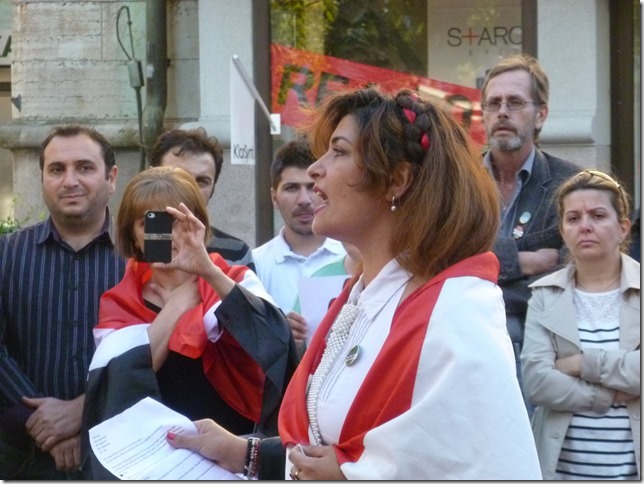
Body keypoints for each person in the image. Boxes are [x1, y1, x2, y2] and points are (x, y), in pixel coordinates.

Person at [165, 87, 542, 479]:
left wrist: (352, 475)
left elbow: (482, 462)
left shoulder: (458, 310)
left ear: (396, 180)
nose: (315, 169)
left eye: (339, 151)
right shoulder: (361, 296)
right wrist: (246, 452)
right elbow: (329, 445)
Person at [81, 166, 299, 478]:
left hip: (232, 449)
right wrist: (178, 305)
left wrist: (207, 271)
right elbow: (122, 381)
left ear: (196, 225)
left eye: (174, 221)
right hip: (154, 459)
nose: (163, 233)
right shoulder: (120, 300)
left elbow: (275, 343)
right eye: (148, 223)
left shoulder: (231, 279)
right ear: (133, 234)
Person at [0, 125, 125, 479]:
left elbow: (156, 353)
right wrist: (46, 424)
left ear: (111, 178)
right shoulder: (7, 254)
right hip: (21, 456)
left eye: (84, 168)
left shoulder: (141, 260)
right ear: (42, 179)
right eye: (57, 169)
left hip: (118, 455)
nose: (69, 180)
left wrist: (83, 412)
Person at [521, 169, 640, 480]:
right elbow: (536, 381)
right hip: (562, 472)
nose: (585, 226)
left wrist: (581, 363)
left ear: (623, 228)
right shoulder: (544, 296)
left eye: (598, 215)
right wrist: (610, 395)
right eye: (573, 219)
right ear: (562, 231)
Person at [481, 53, 582, 405]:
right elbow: (441, 263)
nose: (502, 112)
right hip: (467, 350)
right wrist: (524, 262)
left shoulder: (569, 185)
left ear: (541, 115)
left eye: (515, 102)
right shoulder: (457, 184)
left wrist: (483, 272)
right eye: (493, 103)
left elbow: (574, 279)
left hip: (542, 355)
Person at [252, 138, 345, 348]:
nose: (304, 199)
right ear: (274, 198)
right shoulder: (255, 264)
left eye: (312, 187)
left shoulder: (352, 258)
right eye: (292, 188)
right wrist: (276, 332)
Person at [149, 127, 255, 271]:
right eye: (179, 177)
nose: (190, 189)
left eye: (202, 181)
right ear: (150, 177)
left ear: (213, 187)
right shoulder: (127, 248)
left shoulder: (236, 254)